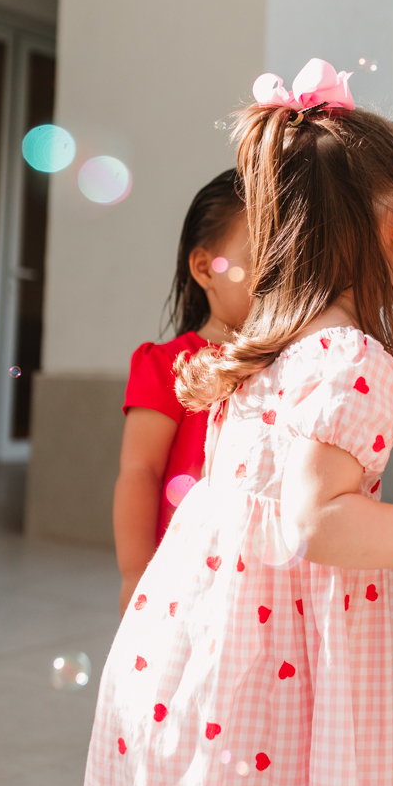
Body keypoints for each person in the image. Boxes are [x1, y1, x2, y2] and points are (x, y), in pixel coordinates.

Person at [61, 59, 393, 786]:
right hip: (273, 664)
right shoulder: (353, 360)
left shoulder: (261, 350)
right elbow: (320, 523)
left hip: (193, 646)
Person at [113, 169, 252, 615]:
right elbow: (140, 472)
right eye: (261, 258)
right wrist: (135, 576)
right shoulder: (168, 365)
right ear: (202, 268)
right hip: (182, 581)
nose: (278, 276)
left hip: (256, 584)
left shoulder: (291, 362)